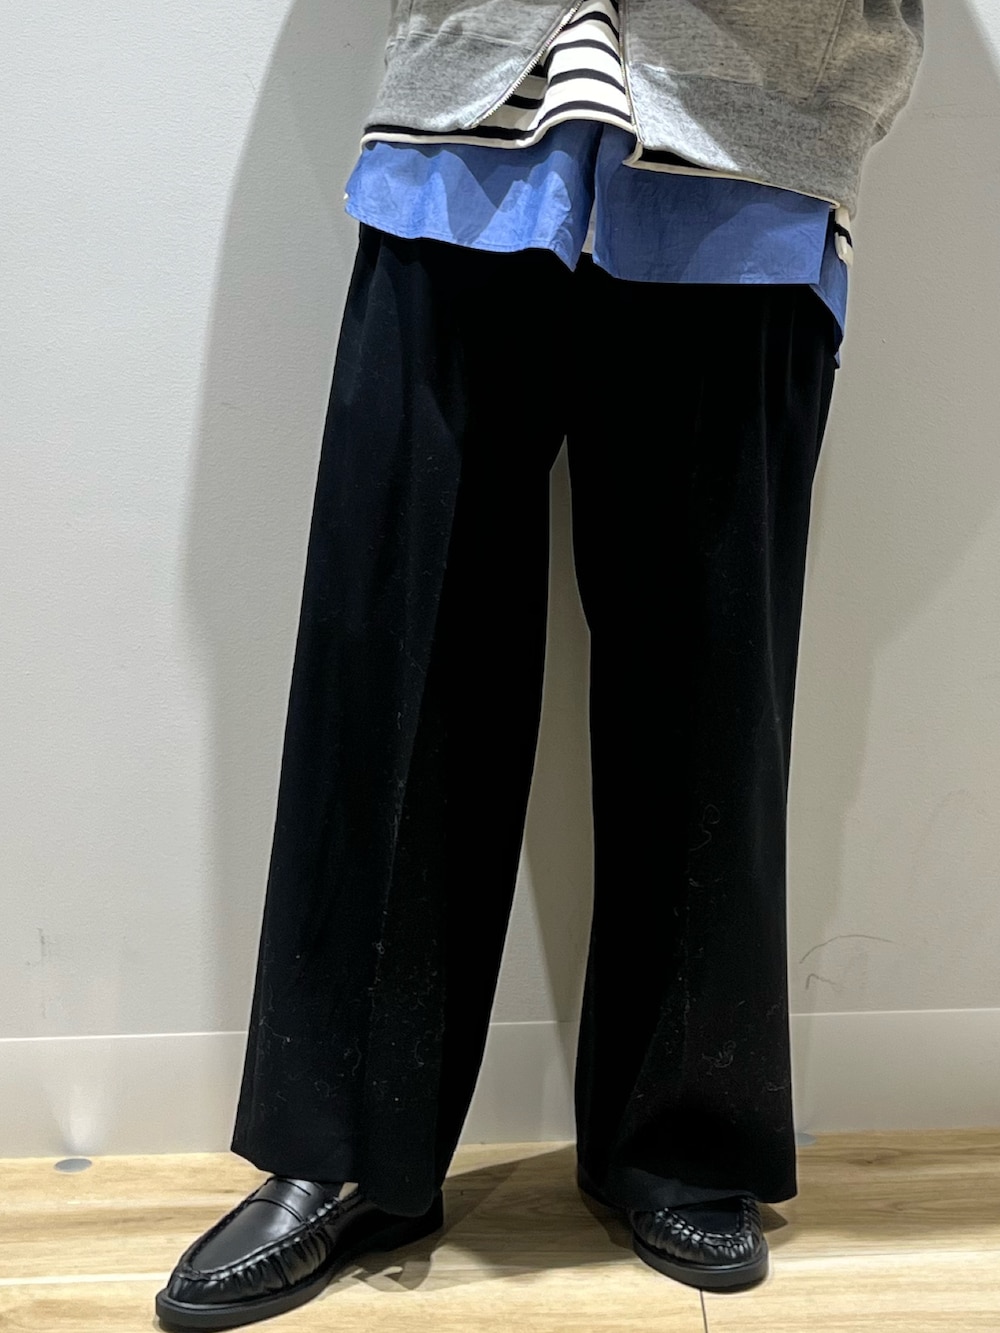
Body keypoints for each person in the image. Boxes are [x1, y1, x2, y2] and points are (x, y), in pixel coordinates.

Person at [155, 3, 925, 1327]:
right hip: (469, 124)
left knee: (711, 681)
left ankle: (683, 1132)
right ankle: (349, 1142)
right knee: (389, 660)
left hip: (750, 131)